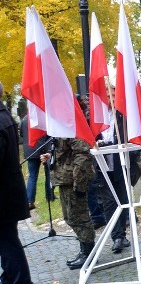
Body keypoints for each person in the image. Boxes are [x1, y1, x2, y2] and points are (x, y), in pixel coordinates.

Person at [42, 99, 95, 271]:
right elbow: (66, 153)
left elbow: (82, 155)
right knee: (70, 217)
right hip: (65, 179)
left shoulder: (74, 126)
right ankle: (84, 250)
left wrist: (79, 184)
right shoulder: (64, 125)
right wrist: (51, 157)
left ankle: (89, 253)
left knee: (79, 217)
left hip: (73, 180)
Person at [92, 94, 141, 254]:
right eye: (108, 95)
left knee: (122, 198)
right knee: (109, 202)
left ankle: (123, 233)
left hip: (122, 165)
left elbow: (135, 138)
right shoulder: (96, 116)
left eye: (114, 95)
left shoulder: (124, 116)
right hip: (103, 166)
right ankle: (117, 237)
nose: (112, 98)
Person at [0, 82, 34, 284]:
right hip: (7, 190)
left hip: (3, 193)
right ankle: (10, 280)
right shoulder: (4, 115)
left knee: (7, 240)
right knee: (6, 238)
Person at [19, 114, 52, 209]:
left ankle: (29, 201)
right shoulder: (43, 117)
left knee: (32, 176)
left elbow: (21, 134)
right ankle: (49, 196)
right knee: (48, 174)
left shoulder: (24, 119)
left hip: (30, 149)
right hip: (43, 148)